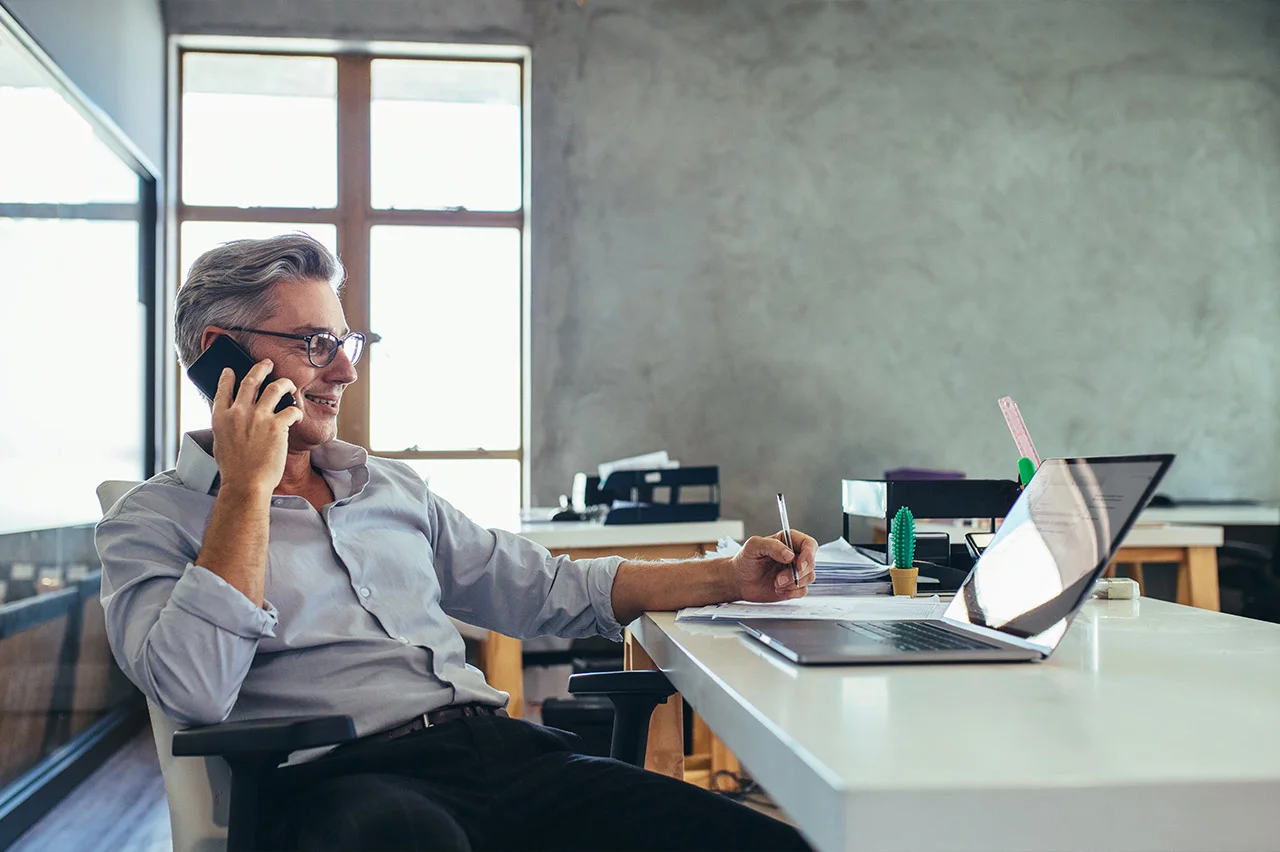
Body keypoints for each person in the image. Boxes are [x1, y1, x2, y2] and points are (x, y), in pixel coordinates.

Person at [97, 233, 819, 851]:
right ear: (221, 357)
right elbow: (195, 689)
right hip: (344, 786)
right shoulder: (150, 521)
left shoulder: (389, 488)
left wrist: (731, 576)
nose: (345, 370)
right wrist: (247, 489)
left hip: (504, 756)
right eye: (316, 345)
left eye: (346, 344)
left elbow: (550, 589)